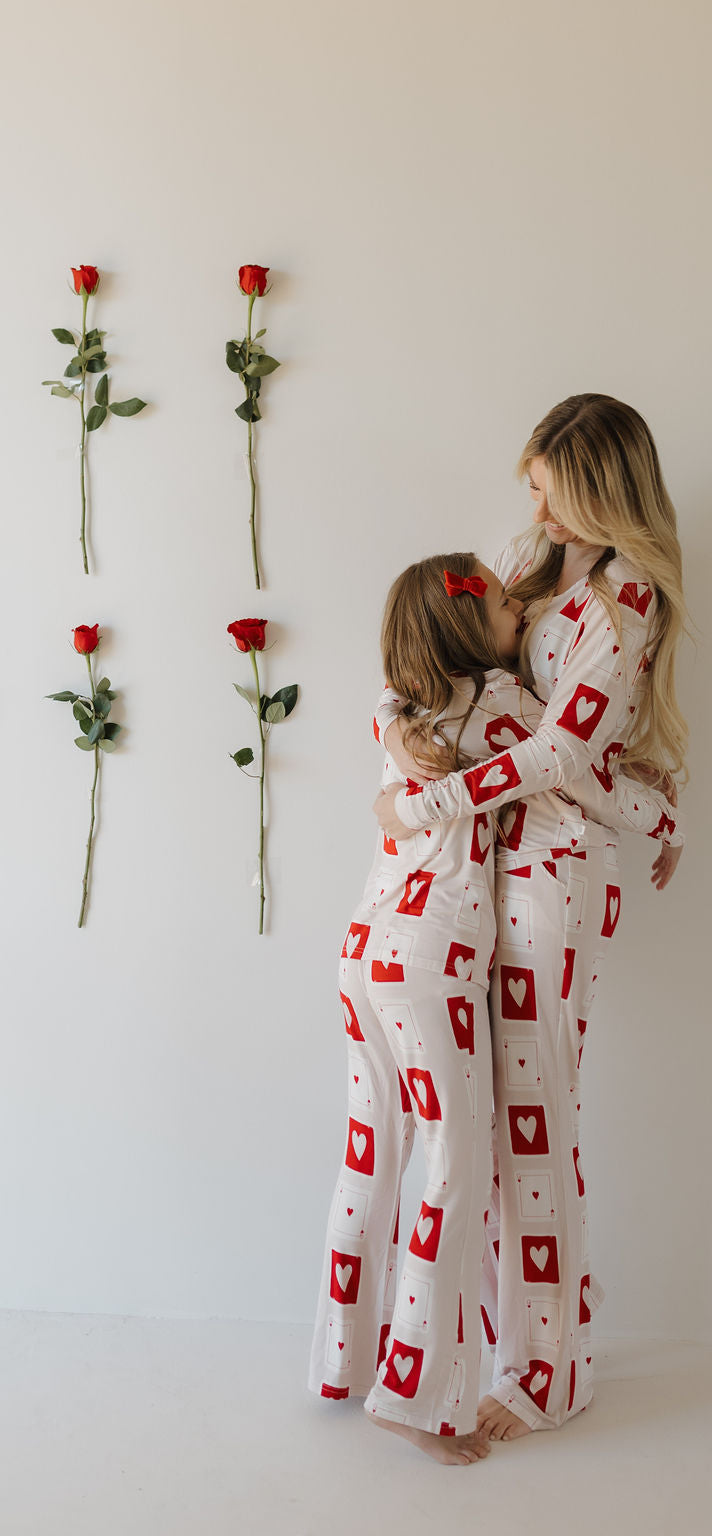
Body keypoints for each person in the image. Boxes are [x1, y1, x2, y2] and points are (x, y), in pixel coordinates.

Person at [309, 550, 676, 1466]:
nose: (518, 598)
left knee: (372, 1152)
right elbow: (577, 775)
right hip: (433, 963)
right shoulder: (501, 709)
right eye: (501, 598)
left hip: (365, 950)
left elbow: (406, 773)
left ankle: (341, 1361)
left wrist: (405, 800)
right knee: (458, 1168)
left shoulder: (395, 707)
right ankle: (414, 1394)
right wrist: (664, 814)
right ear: (472, 627)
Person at [373, 395, 687, 1440]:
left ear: (594, 483)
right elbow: (432, 663)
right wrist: (395, 738)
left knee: (534, 1116)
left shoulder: (625, 598)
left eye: (545, 478)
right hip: (478, 873)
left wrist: (428, 796)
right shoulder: (526, 560)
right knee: (485, 1126)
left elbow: (559, 755)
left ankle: (551, 1372)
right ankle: (504, 1354)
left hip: (555, 879)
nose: (529, 496)